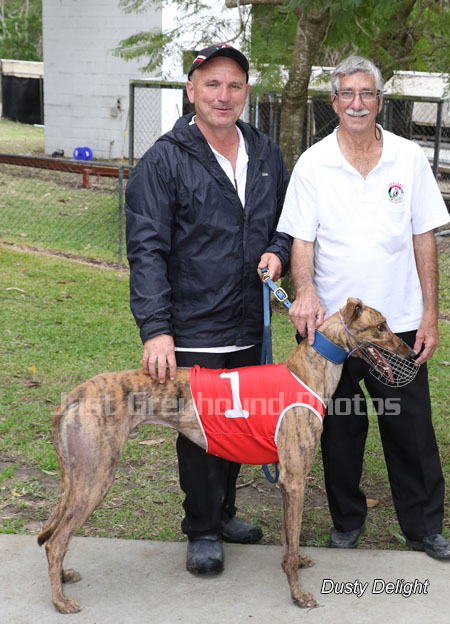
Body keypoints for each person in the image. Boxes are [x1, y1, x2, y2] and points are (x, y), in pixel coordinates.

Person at [125, 44, 291, 574]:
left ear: (247, 92)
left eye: (234, 85)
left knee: (238, 423)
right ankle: (201, 528)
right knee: (200, 432)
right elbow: (147, 249)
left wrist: (279, 251)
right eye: (212, 84)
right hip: (193, 326)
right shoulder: (164, 159)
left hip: (249, 322)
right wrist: (157, 330)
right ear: (191, 90)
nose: (224, 95)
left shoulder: (265, 153)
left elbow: (287, 223)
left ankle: (224, 514)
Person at [277, 55, 449, 559]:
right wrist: (304, 290)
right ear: (334, 102)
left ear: (379, 101)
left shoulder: (408, 158)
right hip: (332, 330)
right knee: (340, 428)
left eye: (367, 93)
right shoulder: (313, 163)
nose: (357, 103)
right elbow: (301, 241)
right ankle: (346, 522)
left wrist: (431, 315)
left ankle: (423, 528)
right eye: (347, 94)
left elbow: (424, 238)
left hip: (397, 325)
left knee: (410, 427)